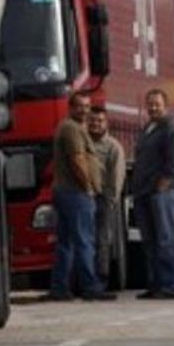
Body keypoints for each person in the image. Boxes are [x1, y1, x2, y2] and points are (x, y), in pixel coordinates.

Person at [48, 91, 114, 302]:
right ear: (70, 107)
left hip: (66, 191)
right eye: (80, 106)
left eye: (87, 106)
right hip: (75, 193)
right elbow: (77, 160)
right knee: (85, 241)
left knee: (66, 242)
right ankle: (90, 287)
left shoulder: (71, 127)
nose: (84, 110)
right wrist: (88, 186)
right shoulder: (72, 129)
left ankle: (60, 287)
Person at [131, 88, 174, 300]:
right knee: (151, 241)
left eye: (157, 104)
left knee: (166, 239)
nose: (153, 108)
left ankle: (171, 286)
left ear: (166, 105)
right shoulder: (149, 128)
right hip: (144, 192)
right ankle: (155, 284)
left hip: (161, 192)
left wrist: (165, 183)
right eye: (151, 104)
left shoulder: (172, 128)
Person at [87, 105, 126, 288]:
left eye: (99, 121)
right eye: (92, 120)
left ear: (106, 123)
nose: (95, 124)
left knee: (101, 240)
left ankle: (101, 280)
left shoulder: (113, 147)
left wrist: (111, 200)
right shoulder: (83, 143)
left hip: (102, 198)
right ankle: (86, 280)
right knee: (86, 240)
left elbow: (117, 176)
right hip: (85, 197)